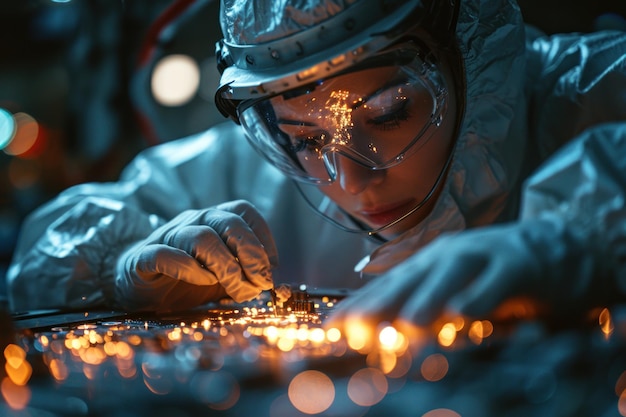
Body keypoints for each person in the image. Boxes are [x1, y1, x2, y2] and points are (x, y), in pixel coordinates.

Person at [6, 0, 626, 338]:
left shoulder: (593, 93)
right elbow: (50, 248)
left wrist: (592, 236)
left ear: (466, 55)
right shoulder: (246, 181)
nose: (349, 181)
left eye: (387, 115)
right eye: (302, 137)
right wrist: (116, 266)